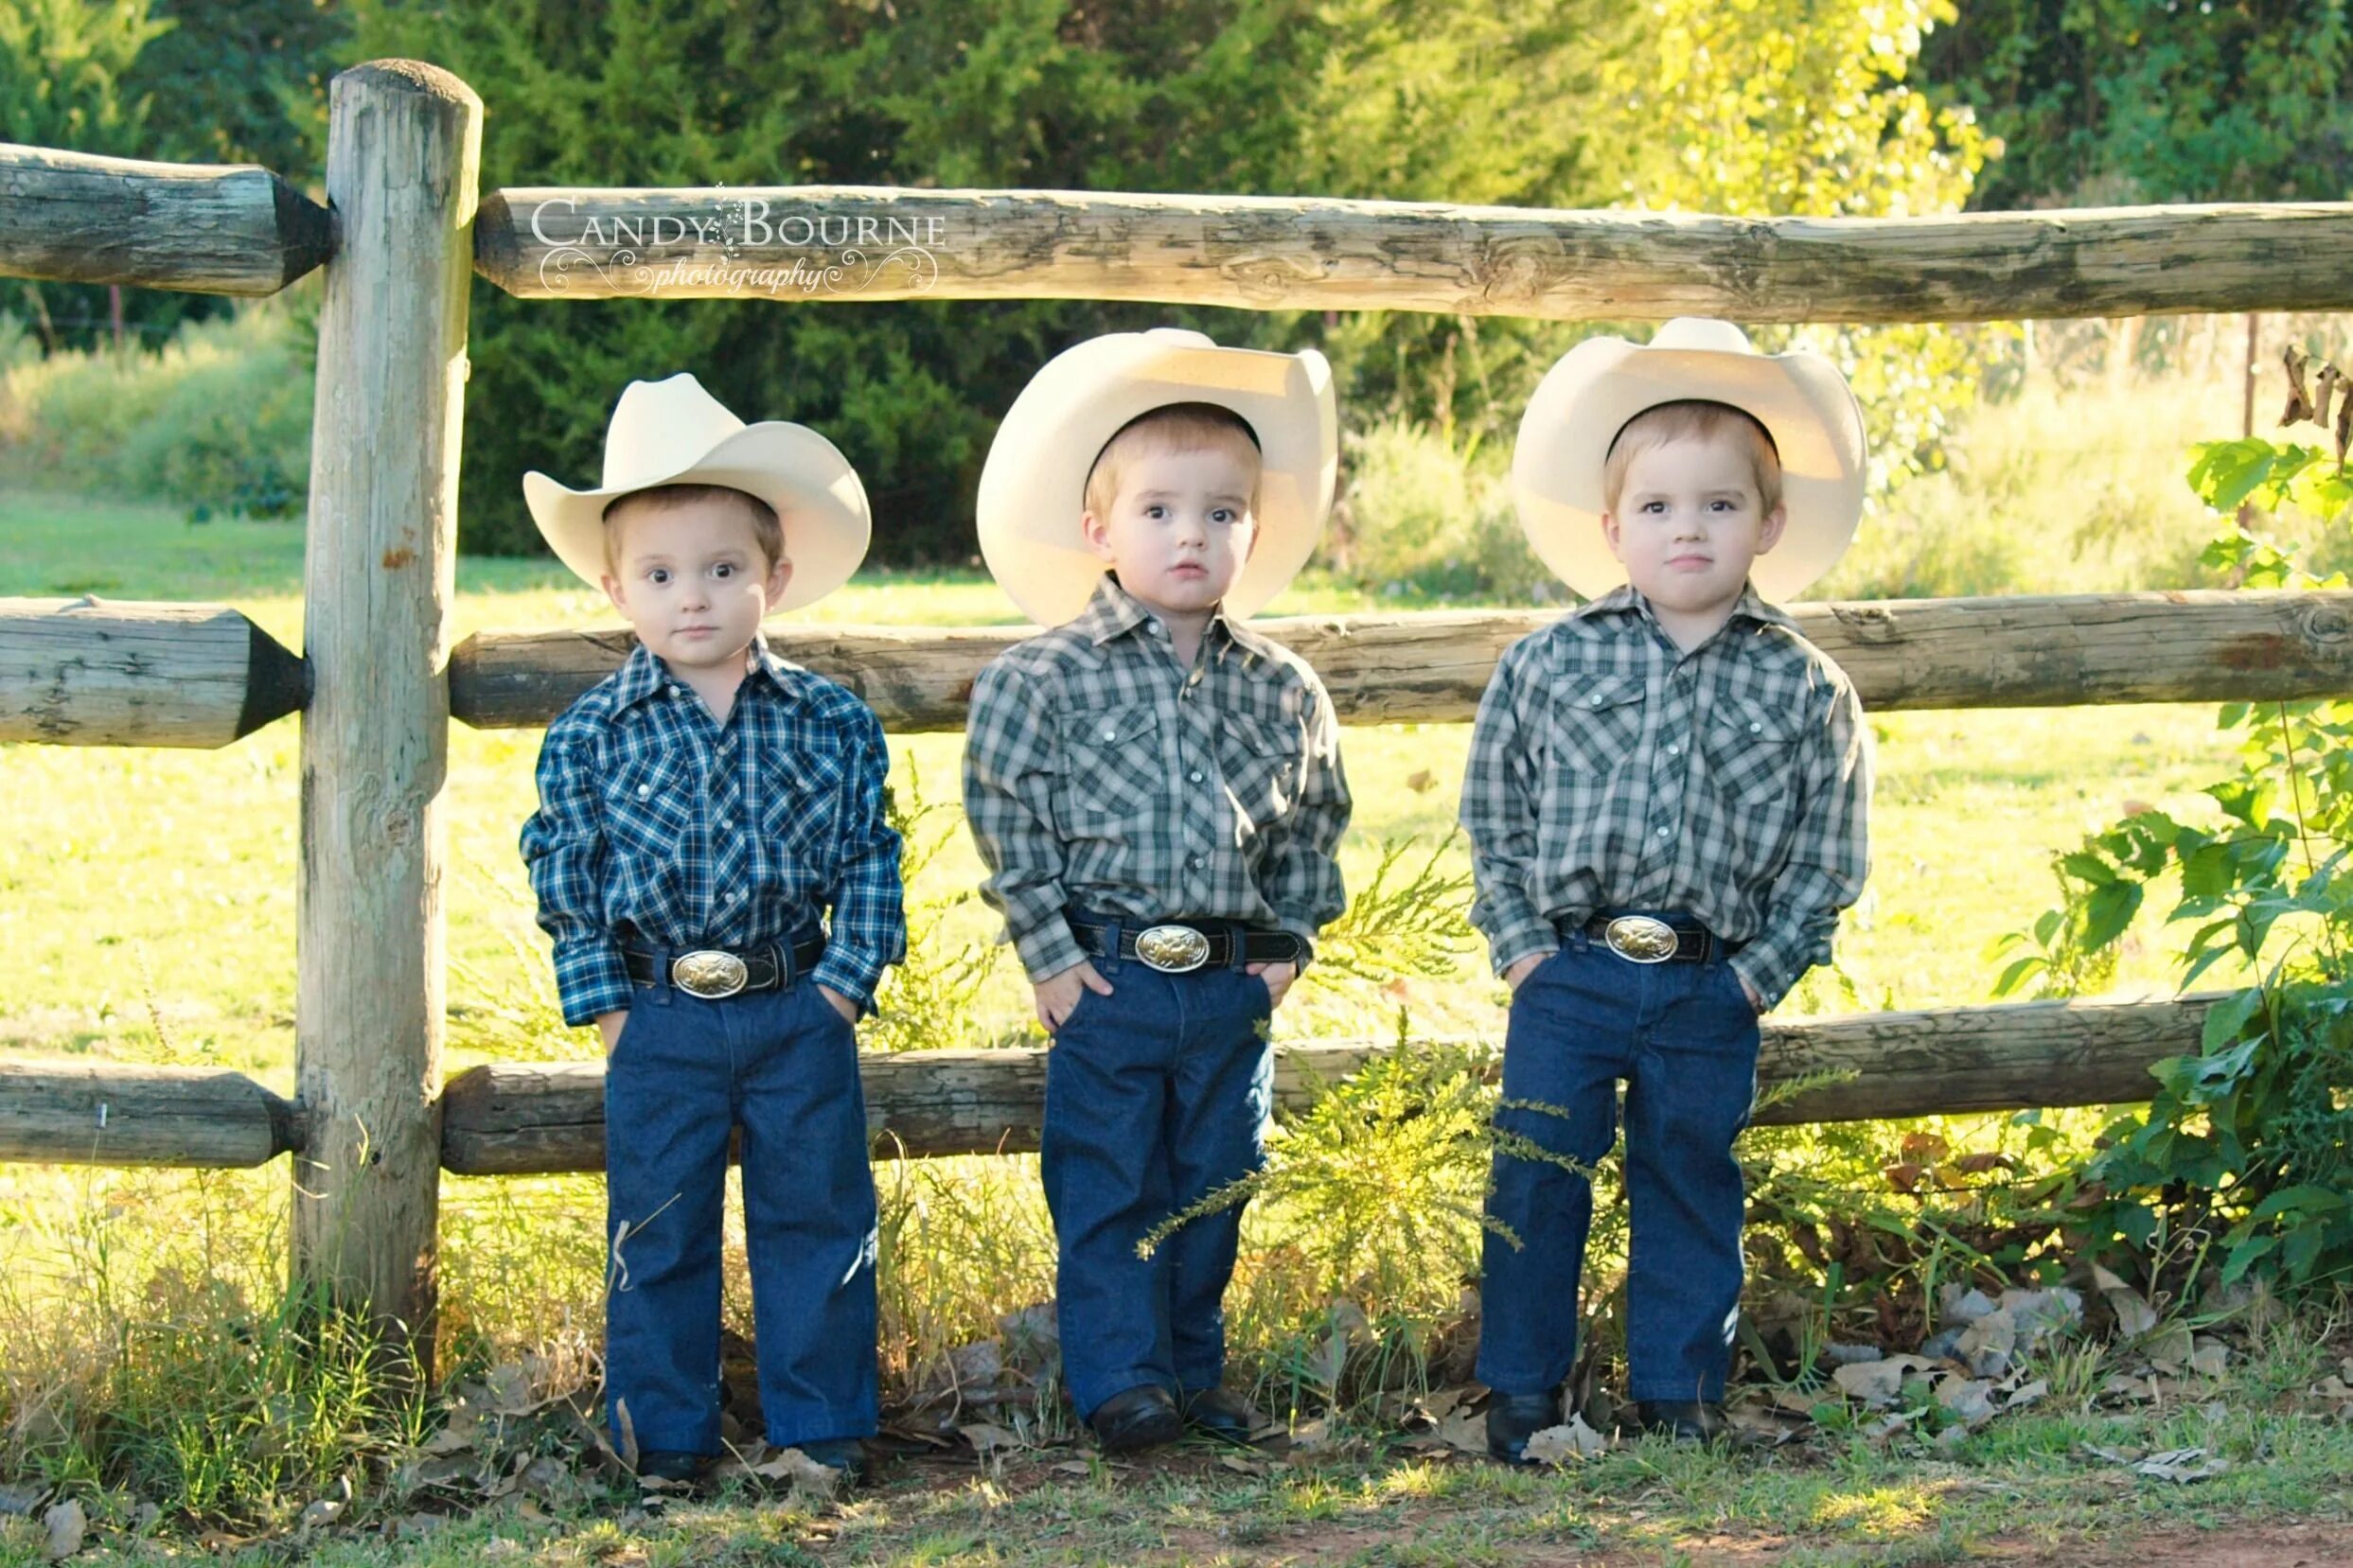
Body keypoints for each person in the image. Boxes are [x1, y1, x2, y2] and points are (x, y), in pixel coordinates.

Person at [1462, 319, 1873, 1459]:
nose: (1685, 527)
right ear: (1611, 527)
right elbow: (1494, 813)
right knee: (1538, 1175)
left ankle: (1679, 1390)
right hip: (1571, 971)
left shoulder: (1805, 687)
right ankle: (1523, 1391)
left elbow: (1825, 853)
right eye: (1655, 507)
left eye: (1718, 505)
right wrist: (1522, 948)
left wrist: (1754, 976)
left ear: (1769, 522)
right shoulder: (1546, 664)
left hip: (1707, 981)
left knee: (1690, 1178)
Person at [962, 329, 1352, 1452]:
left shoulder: (1283, 685)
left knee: (1215, 1180)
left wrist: (1287, 945)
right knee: (1107, 1181)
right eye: (1159, 511)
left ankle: (1192, 1367)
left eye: (1221, 513)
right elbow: (1005, 816)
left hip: (1232, 979)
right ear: (1100, 528)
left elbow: (1314, 817)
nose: (1191, 533)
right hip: (1109, 973)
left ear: (1252, 531)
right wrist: (1046, 951)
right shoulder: (1041, 675)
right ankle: (1120, 1380)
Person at [519, 373, 904, 1485]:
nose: (693, 597)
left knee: (818, 1220)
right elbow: (565, 865)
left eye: (722, 570)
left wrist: (839, 989)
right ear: (615, 586)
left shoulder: (829, 719)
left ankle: (822, 1430)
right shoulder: (591, 733)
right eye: (660, 574)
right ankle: (664, 1440)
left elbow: (868, 854)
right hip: (659, 1013)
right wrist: (605, 1011)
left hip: (796, 1008)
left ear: (772, 578)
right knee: (659, 1231)